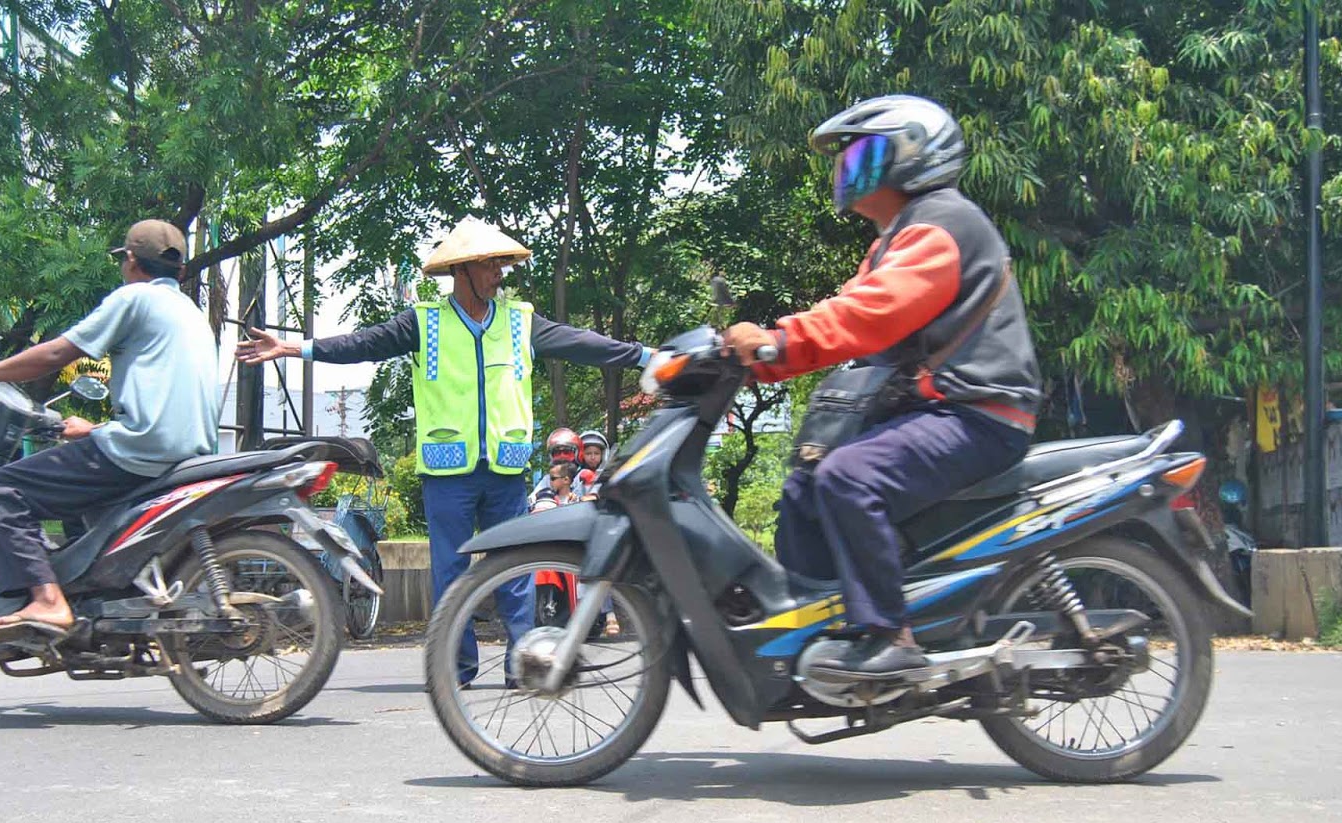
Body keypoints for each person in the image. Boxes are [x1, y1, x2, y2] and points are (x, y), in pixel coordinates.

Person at [238, 216, 652, 684]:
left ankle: (525, 662)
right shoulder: (424, 322)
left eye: (500, 263)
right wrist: (296, 350)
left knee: (516, 570)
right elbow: (363, 344)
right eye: (490, 264)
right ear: (463, 271)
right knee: (451, 574)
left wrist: (641, 356)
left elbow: (581, 343)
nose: (499, 273)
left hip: (506, 467)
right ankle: (458, 668)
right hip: (448, 471)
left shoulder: (520, 321)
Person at [722, 95, 1041, 677]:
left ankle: (890, 636)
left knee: (849, 475)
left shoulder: (940, 224)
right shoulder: (896, 238)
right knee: (803, 488)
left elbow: (868, 316)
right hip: (941, 412)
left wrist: (775, 344)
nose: (847, 171)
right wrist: (759, 360)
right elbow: (846, 317)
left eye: (862, 156)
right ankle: (827, 630)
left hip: (980, 412)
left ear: (912, 156)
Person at [0, 219, 219, 641]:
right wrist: (97, 430)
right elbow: (167, 402)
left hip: (140, 453)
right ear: (178, 270)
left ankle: (49, 602)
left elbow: (58, 352)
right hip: (187, 452)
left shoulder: (134, 299)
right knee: (73, 501)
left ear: (130, 260)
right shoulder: (193, 315)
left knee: (5, 488)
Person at [573, 429, 607, 499]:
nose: (593, 457)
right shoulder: (576, 476)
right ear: (581, 455)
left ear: (603, 455)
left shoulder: (608, 475)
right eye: (588, 454)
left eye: (597, 453)